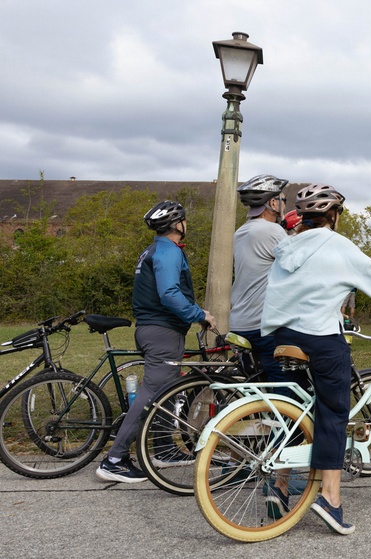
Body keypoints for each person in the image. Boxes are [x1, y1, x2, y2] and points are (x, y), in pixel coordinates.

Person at [261, 183, 371, 535]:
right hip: (319, 338)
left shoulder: (288, 245)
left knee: (297, 409)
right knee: (334, 411)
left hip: (281, 338)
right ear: (333, 216)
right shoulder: (336, 245)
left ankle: (279, 485)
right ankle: (330, 499)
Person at [96, 200, 216, 483]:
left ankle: (164, 450)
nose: (186, 224)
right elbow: (169, 294)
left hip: (155, 329)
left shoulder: (153, 250)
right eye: (184, 219)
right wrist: (199, 315)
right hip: (161, 332)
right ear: (177, 224)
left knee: (166, 390)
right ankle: (114, 460)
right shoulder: (168, 252)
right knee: (151, 393)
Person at [230, 174, 289, 388]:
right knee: (285, 385)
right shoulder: (272, 230)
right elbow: (297, 266)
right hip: (263, 324)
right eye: (283, 200)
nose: (285, 205)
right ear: (273, 203)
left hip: (239, 321)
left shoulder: (241, 231)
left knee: (258, 385)